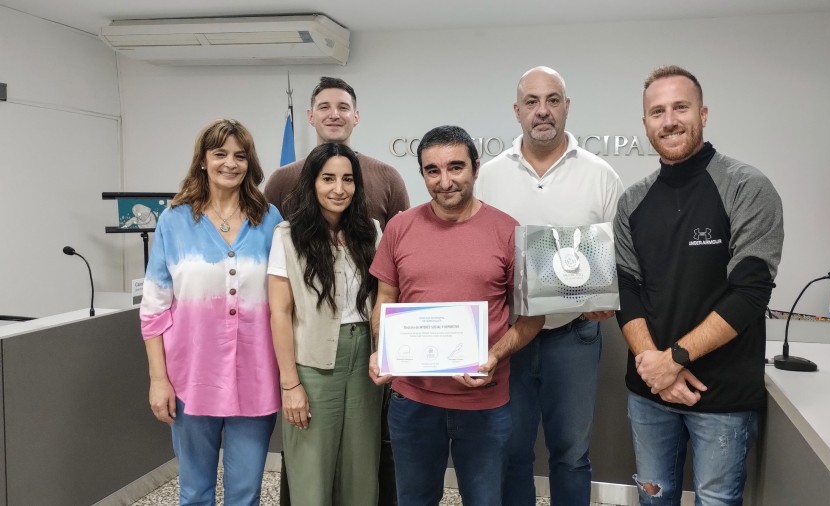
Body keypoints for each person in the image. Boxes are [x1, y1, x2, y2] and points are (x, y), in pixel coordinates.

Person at [614, 65, 784, 505]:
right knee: (654, 498)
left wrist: (675, 359)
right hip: (650, 392)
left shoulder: (747, 187)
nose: (668, 120)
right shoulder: (632, 201)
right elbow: (625, 290)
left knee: (717, 501)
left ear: (703, 113)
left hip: (722, 395)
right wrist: (656, 367)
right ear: (646, 123)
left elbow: (750, 293)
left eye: (680, 107)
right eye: (657, 112)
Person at [368, 125, 545, 506]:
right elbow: (385, 297)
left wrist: (495, 356)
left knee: (485, 500)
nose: (445, 181)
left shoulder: (507, 231)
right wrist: (382, 349)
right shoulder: (399, 228)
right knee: (414, 499)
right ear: (423, 174)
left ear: (475, 169)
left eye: (455, 168)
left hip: (484, 403)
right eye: (433, 170)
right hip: (412, 400)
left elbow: (533, 318)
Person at [475, 66, 623, 505]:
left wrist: (607, 298)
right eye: (533, 102)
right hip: (510, 338)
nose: (543, 111)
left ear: (566, 107)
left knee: (572, 454)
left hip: (574, 337)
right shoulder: (489, 176)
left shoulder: (601, 176)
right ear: (517, 111)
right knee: (512, 452)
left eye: (553, 100)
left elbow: (617, 257)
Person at [140, 118, 283, 505]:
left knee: (244, 492)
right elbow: (153, 309)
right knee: (194, 491)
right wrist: (158, 379)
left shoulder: (270, 219)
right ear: (203, 160)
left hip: (255, 375)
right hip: (191, 378)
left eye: (240, 155)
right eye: (220, 154)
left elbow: (285, 300)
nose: (230, 163)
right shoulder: (174, 220)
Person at [268, 143, 384, 506]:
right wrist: (290, 385)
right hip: (312, 365)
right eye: (328, 178)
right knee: (311, 471)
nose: (339, 189)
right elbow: (280, 313)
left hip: (365, 360)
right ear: (312, 183)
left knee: (361, 471)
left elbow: (385, 298)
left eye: (348, 179)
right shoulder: (287, 236)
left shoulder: (372, 232)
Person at [265, 76, 410, 230]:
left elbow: (404, 243)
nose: (334, 114)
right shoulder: (281, 180)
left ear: (356, 117)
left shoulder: (388, 177)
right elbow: (265, 243)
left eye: (343, 107)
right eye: (324, 107)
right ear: (310, 116)